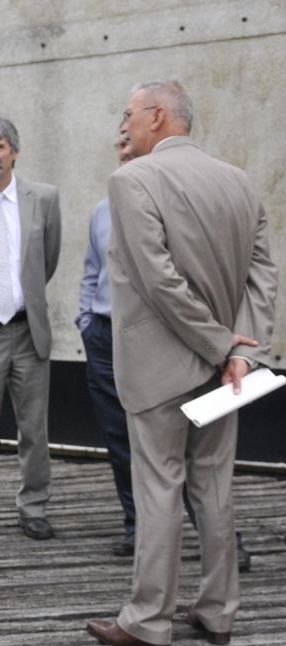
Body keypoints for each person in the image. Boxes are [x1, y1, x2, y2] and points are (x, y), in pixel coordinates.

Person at [87, 80, 277, 646]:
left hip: (160, 369)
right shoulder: (239, 181)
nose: (123, 124)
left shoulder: (131, 180)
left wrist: (221, 344)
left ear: (158, 116)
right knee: (215, 488)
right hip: (227, 374)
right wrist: (241, 354)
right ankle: (219, 613)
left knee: (159, 488)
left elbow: (158, 279)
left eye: (128, 113)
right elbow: (263, 277)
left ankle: (149, 620)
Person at [78, 134, 254, 569]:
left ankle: (221, 544)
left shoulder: (173, 207)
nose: (124, 154)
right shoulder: (102, 210)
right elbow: (92, 271)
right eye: (119, 149)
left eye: (130, 147)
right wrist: (86, 320)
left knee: (190, 454)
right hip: (105, 337)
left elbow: (172, 281)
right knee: (121, 441)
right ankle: (137, 527)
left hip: (167, 343)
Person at [0, 115, 62, 543]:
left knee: (34, 429)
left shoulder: (44, 198)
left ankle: (34, 507)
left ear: (14, 152)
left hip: (27, 330)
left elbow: (47, 260)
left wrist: (25, 298)